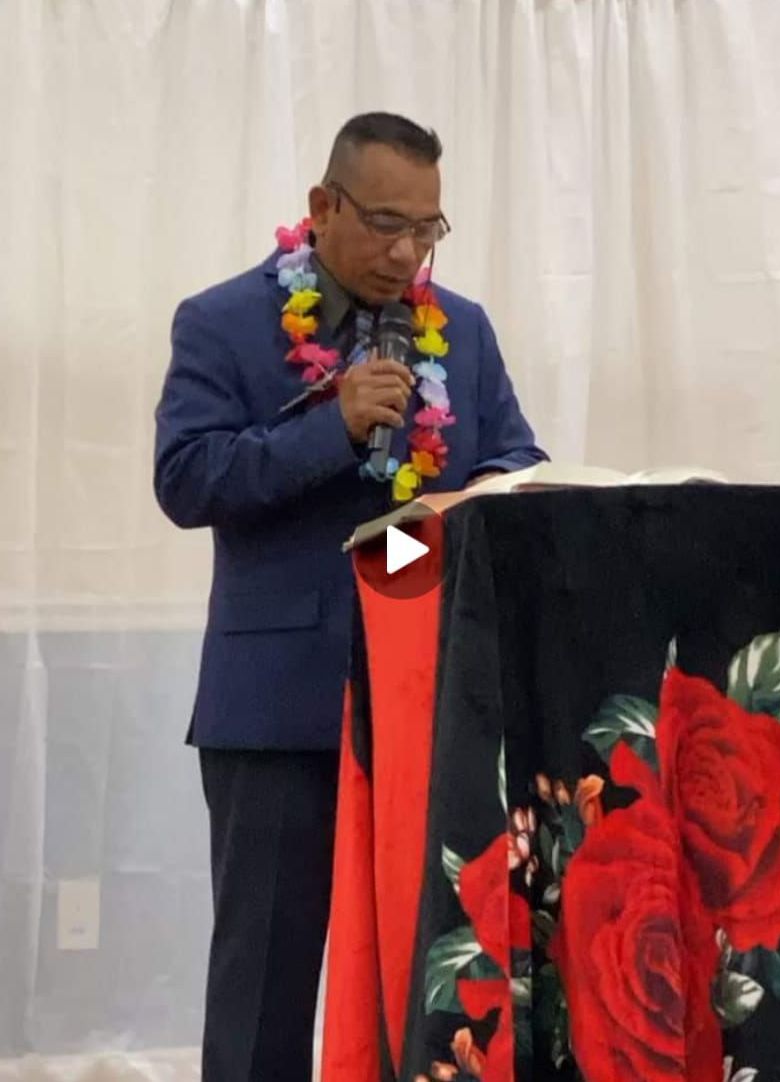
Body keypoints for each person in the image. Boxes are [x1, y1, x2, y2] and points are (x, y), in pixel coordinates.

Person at [153, 112, 546, 1082]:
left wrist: (457, 511)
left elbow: (511, 460)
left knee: (430, 980)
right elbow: (186, 479)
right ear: (322, 206)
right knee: (263, 987)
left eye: (427, 229)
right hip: (277, 708)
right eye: (384, 223)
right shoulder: (222, 320)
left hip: (427, 707)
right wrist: (328, 431)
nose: (406, 252)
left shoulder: (462, 330)